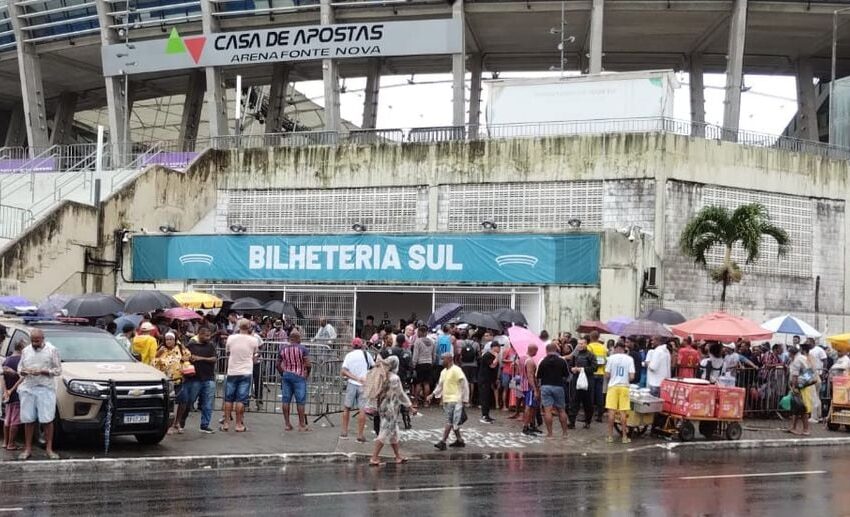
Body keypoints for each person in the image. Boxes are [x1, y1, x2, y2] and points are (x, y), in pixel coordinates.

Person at [16, 329, 62, 460]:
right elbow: (20, 368)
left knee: (47, 420)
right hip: (28, 388)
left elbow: (58, 370)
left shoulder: (52, 350)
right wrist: (24, 372)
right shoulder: (26, 351)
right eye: (32, 341)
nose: (35, 343)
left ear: (43, 338)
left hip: (45, 388)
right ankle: (28, 449)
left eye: (37, 340)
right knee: (28, 419)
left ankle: (49, 449)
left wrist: (42, 371)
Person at [367, 356, 412, 466]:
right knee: (384, 432)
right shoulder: (394, 378)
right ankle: (374, 457)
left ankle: (398, 456)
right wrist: (410, 406)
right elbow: (400, 394)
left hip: (383, 407)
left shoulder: (382, 375)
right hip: (390, 409)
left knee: (393, 433)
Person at [176, 326, 217, 434]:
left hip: (208, 377)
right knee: (189, 401)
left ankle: (204, 425)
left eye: (209, 335)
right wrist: (189, 358)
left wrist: (201, 358)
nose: (208, 338)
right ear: (200, 334)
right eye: (206, 335)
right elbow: (184, 357)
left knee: (208, 403)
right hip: (194, 378)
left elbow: (214, 359)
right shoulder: (191, 345)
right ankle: (182, 421)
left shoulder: (211, 346)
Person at [221, 319, 259, 433]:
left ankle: (226, 423)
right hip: (246, 371)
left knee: (228, 399)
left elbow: (227, 352)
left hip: (232, 371)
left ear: (238, 326)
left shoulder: (231, 338)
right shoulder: (253, 340)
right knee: (241, 400)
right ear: (249, 327)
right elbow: (255, 355)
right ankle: (238, 424)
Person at [428, 352, 469, 450]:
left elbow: (464, 384)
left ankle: (443, 441)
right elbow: (440, 385)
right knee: (453, 422)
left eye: (443, 359)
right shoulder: (443, 372)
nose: (442, 361)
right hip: (447, 399)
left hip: (455, 399)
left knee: (449, 421)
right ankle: (459, 440)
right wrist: (432, 394)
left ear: (450, 359)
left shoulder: (456, 370)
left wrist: (465, 399)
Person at [152, 332, 191, 434]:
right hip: (166, 382)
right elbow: (154, 364)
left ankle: (177, 423)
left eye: (171, 339)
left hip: (179, 380)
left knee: (183, 401)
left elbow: (188, 356)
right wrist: (157, 355)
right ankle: (169, 425)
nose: (169, 341)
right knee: (170, 404)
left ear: (175, 340)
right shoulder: (161, 350)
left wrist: (184, 357)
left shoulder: (180, 349)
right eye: (167, 339)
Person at [340, 337, 374, 442]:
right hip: (363, 384)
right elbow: (373, 367)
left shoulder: (349, 356)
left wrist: (354, 377)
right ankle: (360, 435)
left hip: (351, 384)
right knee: (362, 409)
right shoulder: (366, 354)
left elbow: (343, 371)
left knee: (347, 408)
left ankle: (344, 432)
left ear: (352, 345)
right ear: (361, 345)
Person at [278, 330, 311, 432]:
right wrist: (307, 374)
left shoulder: (283, 349)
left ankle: (287, 424)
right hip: (299, 376)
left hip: (287, 375)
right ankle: (301, 425)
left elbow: (277, 364)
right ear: (298, 338)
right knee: (300, 401)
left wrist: (282, 373)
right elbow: (308, 364)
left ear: (290, 339)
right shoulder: (303, 349)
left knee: (286, 400)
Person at [605, 341, 636, 444]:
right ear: (624, 348)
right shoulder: (629, 359)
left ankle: (609, 436)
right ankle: (624, 437)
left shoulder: (611, 358)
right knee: (623, 412)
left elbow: (607, 375)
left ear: (615, 348)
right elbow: (632, 377)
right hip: (624, 387)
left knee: (611, 412)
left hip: (613, 387)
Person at [537, 343, 570, 438]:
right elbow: (567, 376)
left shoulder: (543, 361)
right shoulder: (562, 361)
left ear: (546, 350)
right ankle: (565, 433)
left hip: (545, 386)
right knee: (561, 410)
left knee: (547, 410)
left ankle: (550, 434)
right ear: (556, 350)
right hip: (558, 387)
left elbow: (538, 376)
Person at [789, 341, 820, 436]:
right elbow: (811, 372)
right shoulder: (805, 358)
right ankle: (793, 427)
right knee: (796, 407)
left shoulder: (798, 360)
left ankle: (806, 429)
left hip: (801, 387)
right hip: (805, 385)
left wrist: (795, 386)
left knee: (802, 408)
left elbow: (795, 375)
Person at [568, 338, 595, 429]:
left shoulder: (591, 355)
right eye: (579, 344)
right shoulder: (575, 355)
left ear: (586, 344)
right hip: (576, 381)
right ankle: (572, 422)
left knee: (588, 403)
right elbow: (570, 365)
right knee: (574, 401)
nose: (580, 345)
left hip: (587, 382)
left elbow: (594, 368)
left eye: (582, 343)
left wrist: (582, 369)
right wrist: (572, 369)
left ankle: (588, 422)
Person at [2, 339, 24, 451]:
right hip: (16, 394)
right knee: (15, 419)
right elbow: (22, 378)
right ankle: (11, 444)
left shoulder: (7, 360)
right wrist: (12, 390)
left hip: (7, 395)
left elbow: (2, 377)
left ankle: (5, 443)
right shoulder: (21, 361)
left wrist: (6, 391)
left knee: (7, 418)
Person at [411, 325, 436, 406]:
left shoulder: (418, 342)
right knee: (426, 383)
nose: (417, 333)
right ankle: (426, 402)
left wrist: (413, 365)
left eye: (418, 332)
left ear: (421, 332)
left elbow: (415, 355)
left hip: (420, 364)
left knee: (418, 383)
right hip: (429, 364)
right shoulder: (431, 342)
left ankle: (415, 402)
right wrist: (432, 362)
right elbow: (434, 355)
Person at [587, 331, 608, 422]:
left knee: (590, 395)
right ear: (598, 337)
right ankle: (600, 415)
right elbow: (605, 360)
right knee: (599, 395)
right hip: (601, 373)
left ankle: (589, 416)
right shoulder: (603, 347)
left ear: (591, 337)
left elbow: (588, 360)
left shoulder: (589, 347)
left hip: (592, 373)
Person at [520, 344, 541, 436]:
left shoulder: (521, 358)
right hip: (529, 386)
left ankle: (531, 425)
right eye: (536, 351)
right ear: (533, 350)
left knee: (532, 406)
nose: (536, 353)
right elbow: (530, 376)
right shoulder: (530, 361)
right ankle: (526, 427)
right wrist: (535, 389)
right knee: (529, 406)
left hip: (523, 384)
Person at [478, 342, 500, 424]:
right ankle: (484, 415)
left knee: (488, 398)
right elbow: (492, 365)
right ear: (494, 347)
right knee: (484, 398)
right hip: (484, 380)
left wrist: (496, 379)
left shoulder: (493, 356)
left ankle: (487, 415)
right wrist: (497, 357)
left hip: (489, 380)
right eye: (498, 347)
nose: (499, 349)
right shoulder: (487, 355)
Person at [459, 334, 480, 405]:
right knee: (472, 382)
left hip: (464, 365)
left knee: (465, 382)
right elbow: (479, 355)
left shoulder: (462, 343)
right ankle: (470, 400)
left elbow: (460, 354)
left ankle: (465, 400)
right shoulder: (476, 344)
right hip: (473, 365)